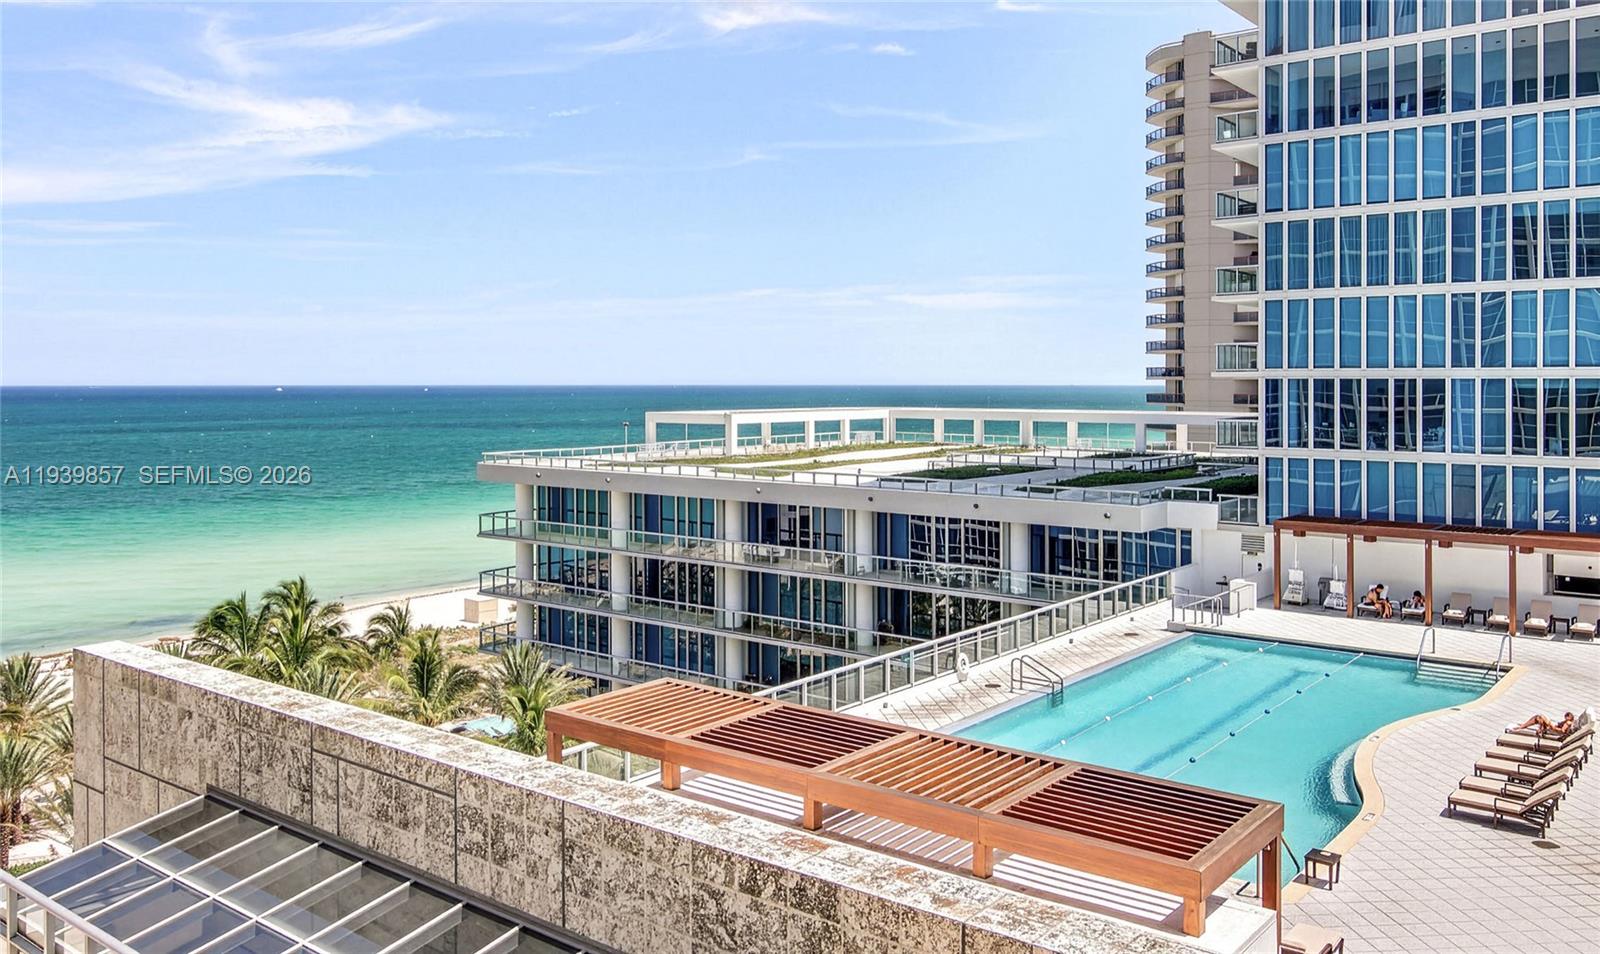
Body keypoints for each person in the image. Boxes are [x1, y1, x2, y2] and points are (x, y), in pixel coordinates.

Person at [1511, 711, 1577, 737]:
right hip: (1553, 727)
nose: (1565, 717)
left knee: (1540, 717)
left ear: (1569, 717)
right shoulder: (1569, 722)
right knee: (1538, 718)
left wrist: (1553, 727)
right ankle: (1541, 728)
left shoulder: (1568, 723)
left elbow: (1562, 731)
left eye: (1566, 716)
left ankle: (1522, 727)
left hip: (1554, 730)